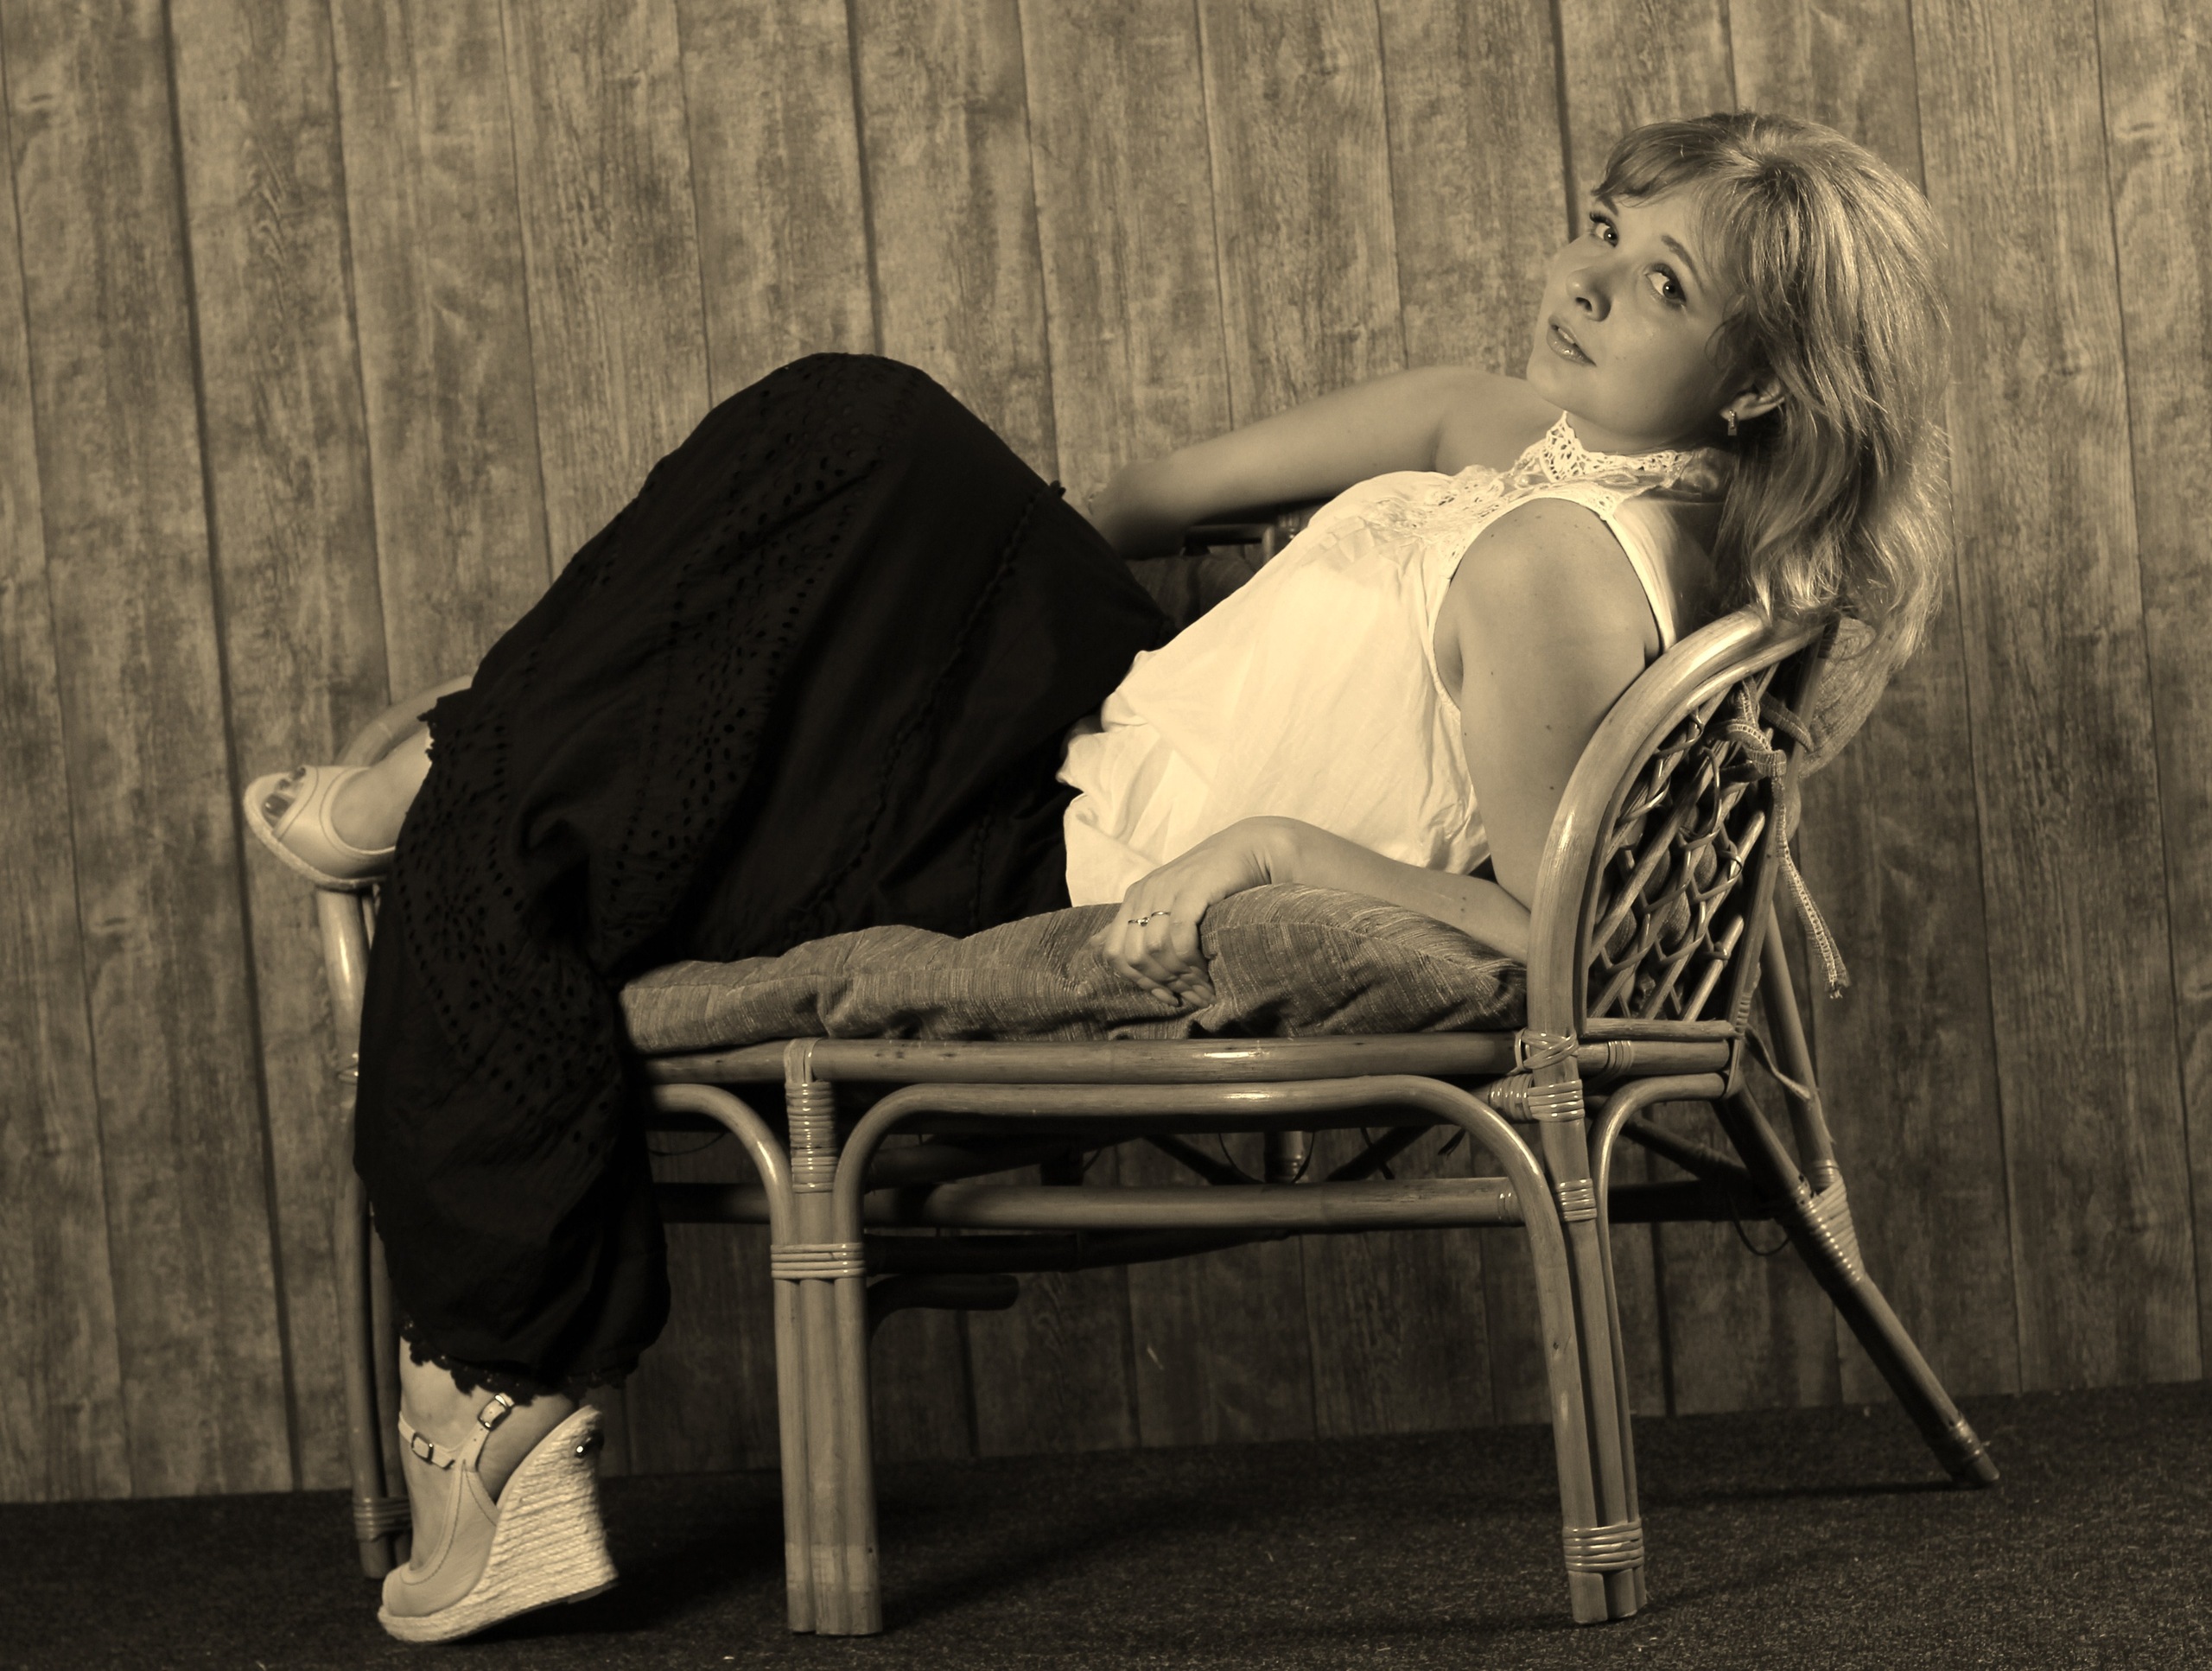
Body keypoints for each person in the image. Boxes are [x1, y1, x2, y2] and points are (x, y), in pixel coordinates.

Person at [243, 111, 1947, 1641]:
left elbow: (1537, 937)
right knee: (865, 426)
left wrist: (1277, 846)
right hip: (1084, 701)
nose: (1584, 280)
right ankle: (492, 771)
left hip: (1034, 859)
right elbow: (1134, 504)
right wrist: (920, 587)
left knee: (612, 743)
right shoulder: (1509, 424)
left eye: (1658, 284)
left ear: (1755, 387)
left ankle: (467, 919)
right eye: (1600, 227)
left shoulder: (1554, 570)